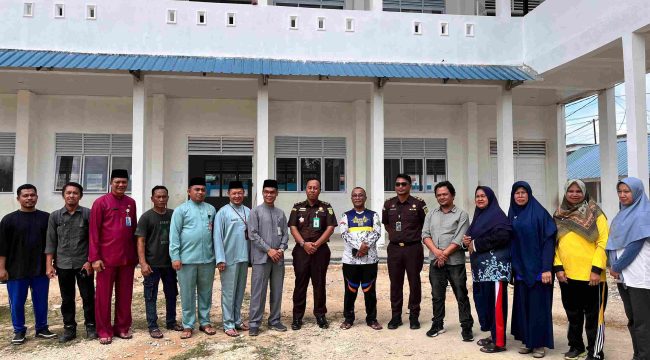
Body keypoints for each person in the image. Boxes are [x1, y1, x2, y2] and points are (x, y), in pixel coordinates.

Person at [553, 179, 608, 360]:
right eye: (571, 191)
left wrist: (596, 269)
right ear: (565, 193)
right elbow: (554, 245)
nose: (574, 194)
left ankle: (595, 352)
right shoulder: (559, 214)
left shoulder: (596, 214)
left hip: (592, 276)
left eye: (578, 191)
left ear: (584, 192)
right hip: (568, 275)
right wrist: (558, 268)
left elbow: (603, 243)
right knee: (573, 315)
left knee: (594, 317)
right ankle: (577, 347)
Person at [0, 184, 56, 345]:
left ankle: (42, 328)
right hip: (16, 269)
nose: (29, 198)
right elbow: (2, 247)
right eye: (25, 195)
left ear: (37, 197)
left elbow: (51, 244)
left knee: (41, 300)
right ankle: (18, 330)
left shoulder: (46, 217)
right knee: (17, 301)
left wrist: (50, 264)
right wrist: (1, 268)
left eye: (32, 195)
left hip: (39, 268)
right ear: (18, 199)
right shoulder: (8, 220)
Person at [89, 169, 138, 345]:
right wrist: (94, 258)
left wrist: (136, 256)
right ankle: (104, 330)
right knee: (103, 297)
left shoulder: (130, 203)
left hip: (127, 259)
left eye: (124, 182)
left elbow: (133, 230)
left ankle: (122, 327)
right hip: (105, 260)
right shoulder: (100, 203)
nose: (121, 185)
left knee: (125, 295)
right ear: (111, 182)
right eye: (117, 182)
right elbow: (94, 232)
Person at [508, 181, 557, 358]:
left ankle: (539, 345)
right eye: (517, 193)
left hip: (538, 270)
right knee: (523, 307)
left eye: (523, 192)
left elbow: (548, 242)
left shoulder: (540, 214)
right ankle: (528, 342)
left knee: (538, 308)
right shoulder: (512, 213)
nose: (520, 196)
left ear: (529, 194)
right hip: (521, 269)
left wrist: (546, 268)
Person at [45, 182, 96, 343]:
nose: (71, 195)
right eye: (68, 193)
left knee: (88, 296)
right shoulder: (55, 216)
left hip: (83, 264)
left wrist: (90, 261)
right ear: (63, 195)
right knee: (67, 298)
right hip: (63, 264)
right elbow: (51, 241)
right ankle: (69, 328)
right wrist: (49, 264)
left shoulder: (88, 214)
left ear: (80, 196)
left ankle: (91, 326)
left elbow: (94, 240)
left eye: (75, 193)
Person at [463, 186, 512, 354]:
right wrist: (466, 241)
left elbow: (503, 236)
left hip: (496, 270)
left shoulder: (498, 216)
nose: (480, 199)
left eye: (483, 196)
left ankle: (499, 342)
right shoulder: (479, 216)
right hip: (481, 270)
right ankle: (493, 335)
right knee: (487, 304)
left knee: (497, 305)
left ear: (490, 198)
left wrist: (475, 244)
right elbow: (471, 239)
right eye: (477, 196)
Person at [422, 181, 473, 340]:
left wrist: (444, 254)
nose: (441, 197)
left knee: (461, 294)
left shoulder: (462, 214)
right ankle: (437, 324)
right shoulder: (431, 214)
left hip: (455, 262)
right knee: (437, 295)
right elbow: (425, 235)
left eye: (445, 194)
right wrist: (437, 253)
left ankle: (466, 327)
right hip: (435, 261)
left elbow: (459, 238)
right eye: (438, 195)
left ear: (452, 195)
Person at [607, 177, 650, 360]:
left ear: (637, 192)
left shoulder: (643, 214)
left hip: (640, 276)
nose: (623, 195)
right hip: (624, 277)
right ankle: (638, 355)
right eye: (620, 191)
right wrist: (614, 266)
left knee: (643, 322)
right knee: (632, 320)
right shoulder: (622, 214)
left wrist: (616, 266)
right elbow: (614, 244)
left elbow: (635, 245)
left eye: (627, 191)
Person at [169, 177, 217, 339]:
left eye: (203, 190)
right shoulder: (181, 210)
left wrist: (217, 257)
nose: (200, 192)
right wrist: (175, 256)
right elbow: (174, 235)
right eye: (197, 189)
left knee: (206, 293)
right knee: (187, 294)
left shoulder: (211, 209)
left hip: (207, 260)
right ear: (189, 191)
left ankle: (205, 322)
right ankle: (188, 325)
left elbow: (215, 235)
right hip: (186, 261)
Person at [288, 178, 337, 330]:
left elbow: (330, 227)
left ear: (319, 190)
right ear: (306, 189)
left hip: (320, 251)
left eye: (315, 188)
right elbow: (293, 227)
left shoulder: (326, 208)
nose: (312, 190)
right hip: (301, 251)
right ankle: (297, 317)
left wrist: (316, 244)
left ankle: (320, 315)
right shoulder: (297, 208)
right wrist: (304, 244)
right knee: (300, 284)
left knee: (319, 284)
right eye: (310, 187)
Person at [135, 185, 183, 339]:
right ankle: (153, 325)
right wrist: (143, 263)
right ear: (152, 199)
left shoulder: (173, 214)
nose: (161, 199)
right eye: (158, 197)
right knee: (150, 295)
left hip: (170, 264)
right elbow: (140, 241)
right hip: (152, 264)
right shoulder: (146, 217)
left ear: (168, 198)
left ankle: (171, 321)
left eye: (164, 196)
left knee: (171, 294)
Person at [382, 173, 427, 330]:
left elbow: (425, 224)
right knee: (395, 283)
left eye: (403, 184)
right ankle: (396, 316)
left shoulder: (419, 204)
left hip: (413, 248)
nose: (400, 187)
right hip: (394, 248)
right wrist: (395, 233)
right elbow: (386, 223)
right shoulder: (388, 204)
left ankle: (414, 316)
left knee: (414, 282)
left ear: (409, 186)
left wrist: (412, 235)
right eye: (397, 184)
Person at [248, 179, 289, 336]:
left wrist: (280, 249)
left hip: (278, 259)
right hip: (261, 259)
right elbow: (253, 234)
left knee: (277, 290)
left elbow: (285, 234)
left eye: (272, 192)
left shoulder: (280, 213)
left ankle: (274, 320)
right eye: (266, 192)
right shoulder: (256, 212)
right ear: (263, 193)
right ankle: (254, 323)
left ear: (276, 194)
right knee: (258, 291)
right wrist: (268, 250)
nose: (269, 195)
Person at [338, 187, 382, 331]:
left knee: (369, 290)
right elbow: (344, 234)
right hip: (351, 260)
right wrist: (360, 247)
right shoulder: (346, 216)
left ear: (365, 197)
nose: (357, 197)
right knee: (350, 290)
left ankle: (372, 319)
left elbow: (377, 232)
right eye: (355, 195)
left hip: (370, 260)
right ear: (351, 198)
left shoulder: (373, 215)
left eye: (360, 195)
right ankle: (348, 319)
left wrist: (365, 246)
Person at [214, 180, 251, 337]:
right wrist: (220, 259)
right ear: (228, 194)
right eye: (234, 193)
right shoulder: (222, 212)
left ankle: (237, 319)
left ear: (244, 194)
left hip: (244, 258)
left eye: (240, 193)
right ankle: (228, 323)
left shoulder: (249, 211)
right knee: (229, 292)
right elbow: (217, 236)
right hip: (228, 259)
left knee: (240, 291)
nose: (237, 196)